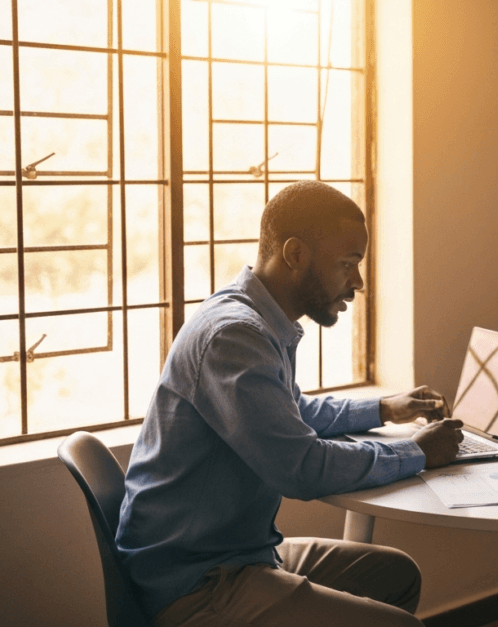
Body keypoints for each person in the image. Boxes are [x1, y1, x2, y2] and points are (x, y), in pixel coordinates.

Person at [116, 181, 465, 627]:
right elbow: (301, 467)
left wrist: (386, 409)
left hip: (237, 552)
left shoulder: (257, 321)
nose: (357, 282)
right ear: (296, 254)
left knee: (397, 576)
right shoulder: (235, 336)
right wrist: (417, 451)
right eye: (348, 264)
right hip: (198, 582)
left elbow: (293, 412)